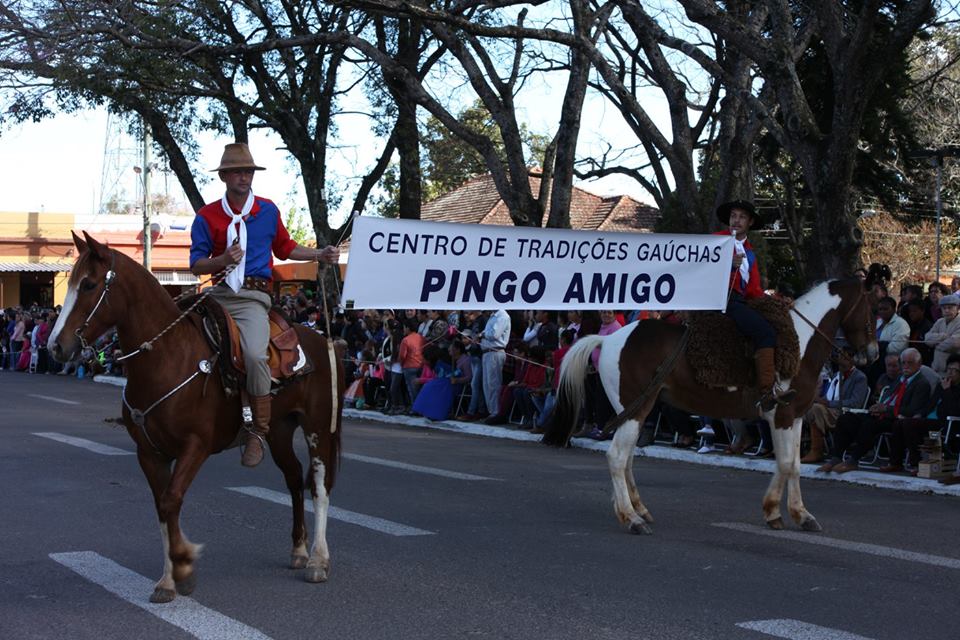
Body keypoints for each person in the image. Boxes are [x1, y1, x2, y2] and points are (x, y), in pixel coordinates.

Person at [189, 142, 339, 467]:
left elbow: (285, 248)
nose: (244, 177)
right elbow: (196, 264)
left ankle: (258, 430)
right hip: (218, 293)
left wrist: (319, 254)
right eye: (237, 172)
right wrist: (222, 260)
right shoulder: (207, 215)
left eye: (248, 172)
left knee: (256, 355)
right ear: (225, 177)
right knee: (177, 330)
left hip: (252, 298)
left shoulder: (268, 210)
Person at [715, 200, 796, 411]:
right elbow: (699, 265)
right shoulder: (716, 241)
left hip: (740, 300)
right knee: (765, 333)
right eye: (733, 216)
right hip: (721, 299)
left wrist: (777, 301)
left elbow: (754, 291)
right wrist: (724, 263)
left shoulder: (750, 253)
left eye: (742, 217)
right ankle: (766, 391)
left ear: (750, 222)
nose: (736, 220)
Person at [818, 348, 931, 474]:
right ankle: (836, 457)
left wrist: (886, 409)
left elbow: (912, 409)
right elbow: (887, 399)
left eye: (910, 363)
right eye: (903, 363)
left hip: (897, 419)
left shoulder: (922, 383)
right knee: (846, 418)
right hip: (883, 414)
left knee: (870, 425)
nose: (905, 366)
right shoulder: (900, 379)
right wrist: (878, 406)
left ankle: (854, 459)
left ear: (919, 364)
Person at [881, 354, 960, 473]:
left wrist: (947, 391)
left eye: (955, 370)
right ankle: (895, 462)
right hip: (931, 420)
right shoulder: (942, 385)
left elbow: (954, 411)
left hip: (947, 423)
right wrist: (919, 414)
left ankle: (916, 463)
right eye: (949, 369)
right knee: (900, 423)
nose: (950, 373)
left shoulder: (949, 388)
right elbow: (930, 405)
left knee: (909, 424)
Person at [800, 346, 869, 463]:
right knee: (804, 407)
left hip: (845, 412)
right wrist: (820, 400)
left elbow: (856, 403)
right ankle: (798, 447)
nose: (839, 359)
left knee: (816, 409)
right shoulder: (837, 375)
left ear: (851, 359)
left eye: (843, 356)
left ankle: (816, 450)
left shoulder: (859, 377)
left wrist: (829, 403)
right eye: (839, 356)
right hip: (829, 410)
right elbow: (828, 396)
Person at [481, 309, 511, 423]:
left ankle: (496, 413)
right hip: (487, 352)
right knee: (487, 384)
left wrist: (482, 334)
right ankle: (491, 412)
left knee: (493, 384)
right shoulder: (493, 316)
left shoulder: (502, 316)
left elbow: (494, 334)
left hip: (495, 352)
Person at [923, 294, 960, 374]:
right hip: (935, 368)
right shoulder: (940, 321)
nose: (946, 310)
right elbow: (927, 338)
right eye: (944, 308)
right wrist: (944, 336)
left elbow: (953, 344)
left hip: (953, 372)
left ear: (957, 308)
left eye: (950, 308)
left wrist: (935, 344)